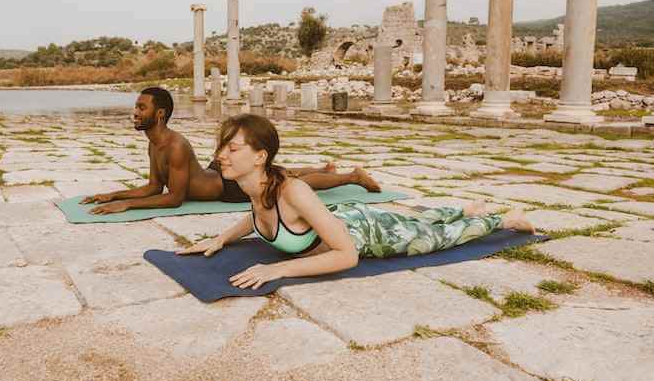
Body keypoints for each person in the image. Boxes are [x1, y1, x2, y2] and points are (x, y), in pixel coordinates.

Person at [179, 113, 535, 290]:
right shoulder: (254, 187)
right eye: (222, 147)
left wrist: (279, 269)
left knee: (435, 237)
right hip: (346, 217)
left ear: (260, 156)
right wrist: (222, 238)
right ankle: (462, 206)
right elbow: (257, 217)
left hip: (369, 233)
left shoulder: (293, 190)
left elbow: (347, 256)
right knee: (420, 220)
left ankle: (502, 220)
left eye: (232, 148)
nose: (221, 155)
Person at [80, 87, 381, 214]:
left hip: (228, 187)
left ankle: (351, 177)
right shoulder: (155, 142)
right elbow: (154, 186)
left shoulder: (175, 145)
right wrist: (114, 195)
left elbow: (173, 199)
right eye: (136, 106)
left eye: (141, 107)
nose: (135, 112)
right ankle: (323, 169)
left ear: (159, 114)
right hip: (215, 173)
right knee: (281, 172)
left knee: (289, 182)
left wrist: (128, 206)